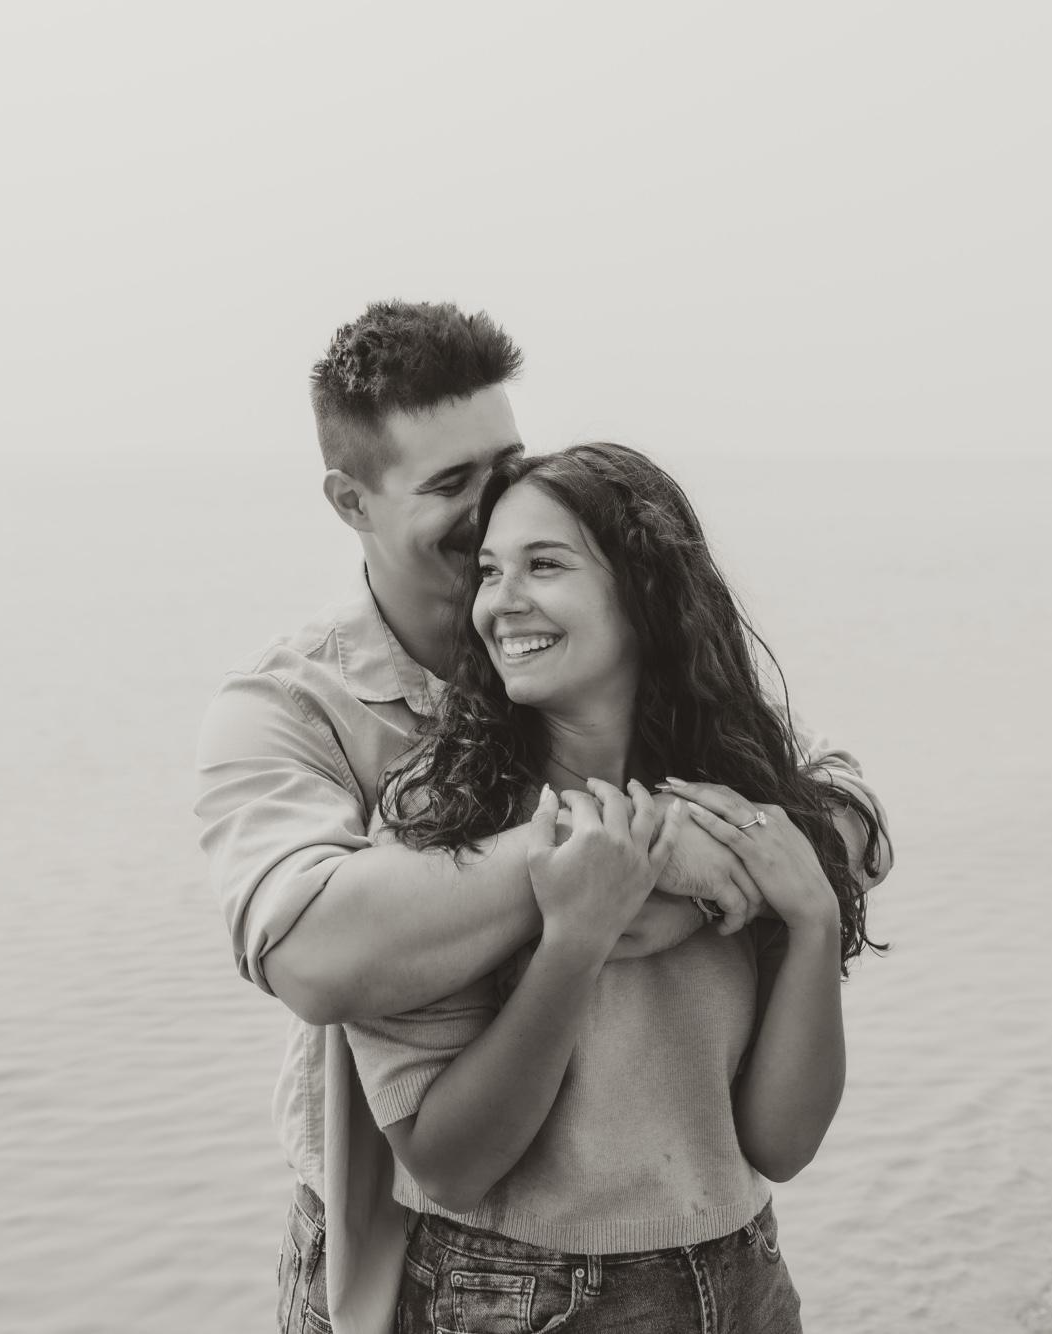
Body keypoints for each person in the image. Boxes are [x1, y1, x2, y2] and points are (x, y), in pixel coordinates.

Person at [193, 301, 891, 1334]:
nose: (491, 511)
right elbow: (319, 958)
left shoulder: (679, 728)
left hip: (724, 1258)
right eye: (451, 486)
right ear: (351, 500)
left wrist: (751, 871)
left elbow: (835, 806)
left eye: (505, 466)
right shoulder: (297, 714)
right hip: (433, 1253)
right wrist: (613, 868)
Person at [345, 442, 885, 1332]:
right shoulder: (440, 815)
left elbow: (782, 1146)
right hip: (520, 1294)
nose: (502, 601)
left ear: (644, 591)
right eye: (490, 571)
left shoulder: (735, 791)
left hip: (744, 1275)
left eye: (544, 565)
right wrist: (574, 943)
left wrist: (814, 915)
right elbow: (447, 1165)